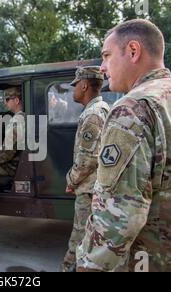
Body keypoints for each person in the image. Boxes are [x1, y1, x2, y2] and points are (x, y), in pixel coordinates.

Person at [77, 19, 171, 272]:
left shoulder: (134, 107)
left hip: (160, 260)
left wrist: (88, 266)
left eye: (107, 56)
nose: (103, 67)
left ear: (133, 51)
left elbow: (119, 215)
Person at [61, 66, 109, 272]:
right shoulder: (105, 108)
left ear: (84, 85)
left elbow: (87, 159)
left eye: (75, 86)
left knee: (79, 239)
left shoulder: (92, 115)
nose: (73, 91)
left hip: (89, 190)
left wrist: (71, 180)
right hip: (96, 187)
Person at [0, 87, 26, 178]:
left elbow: (5, 153)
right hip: (20, 162)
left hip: (12, 166)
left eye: (7, 99)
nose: (5, 102)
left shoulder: (17, 121)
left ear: (16, 100)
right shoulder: (26, 116)